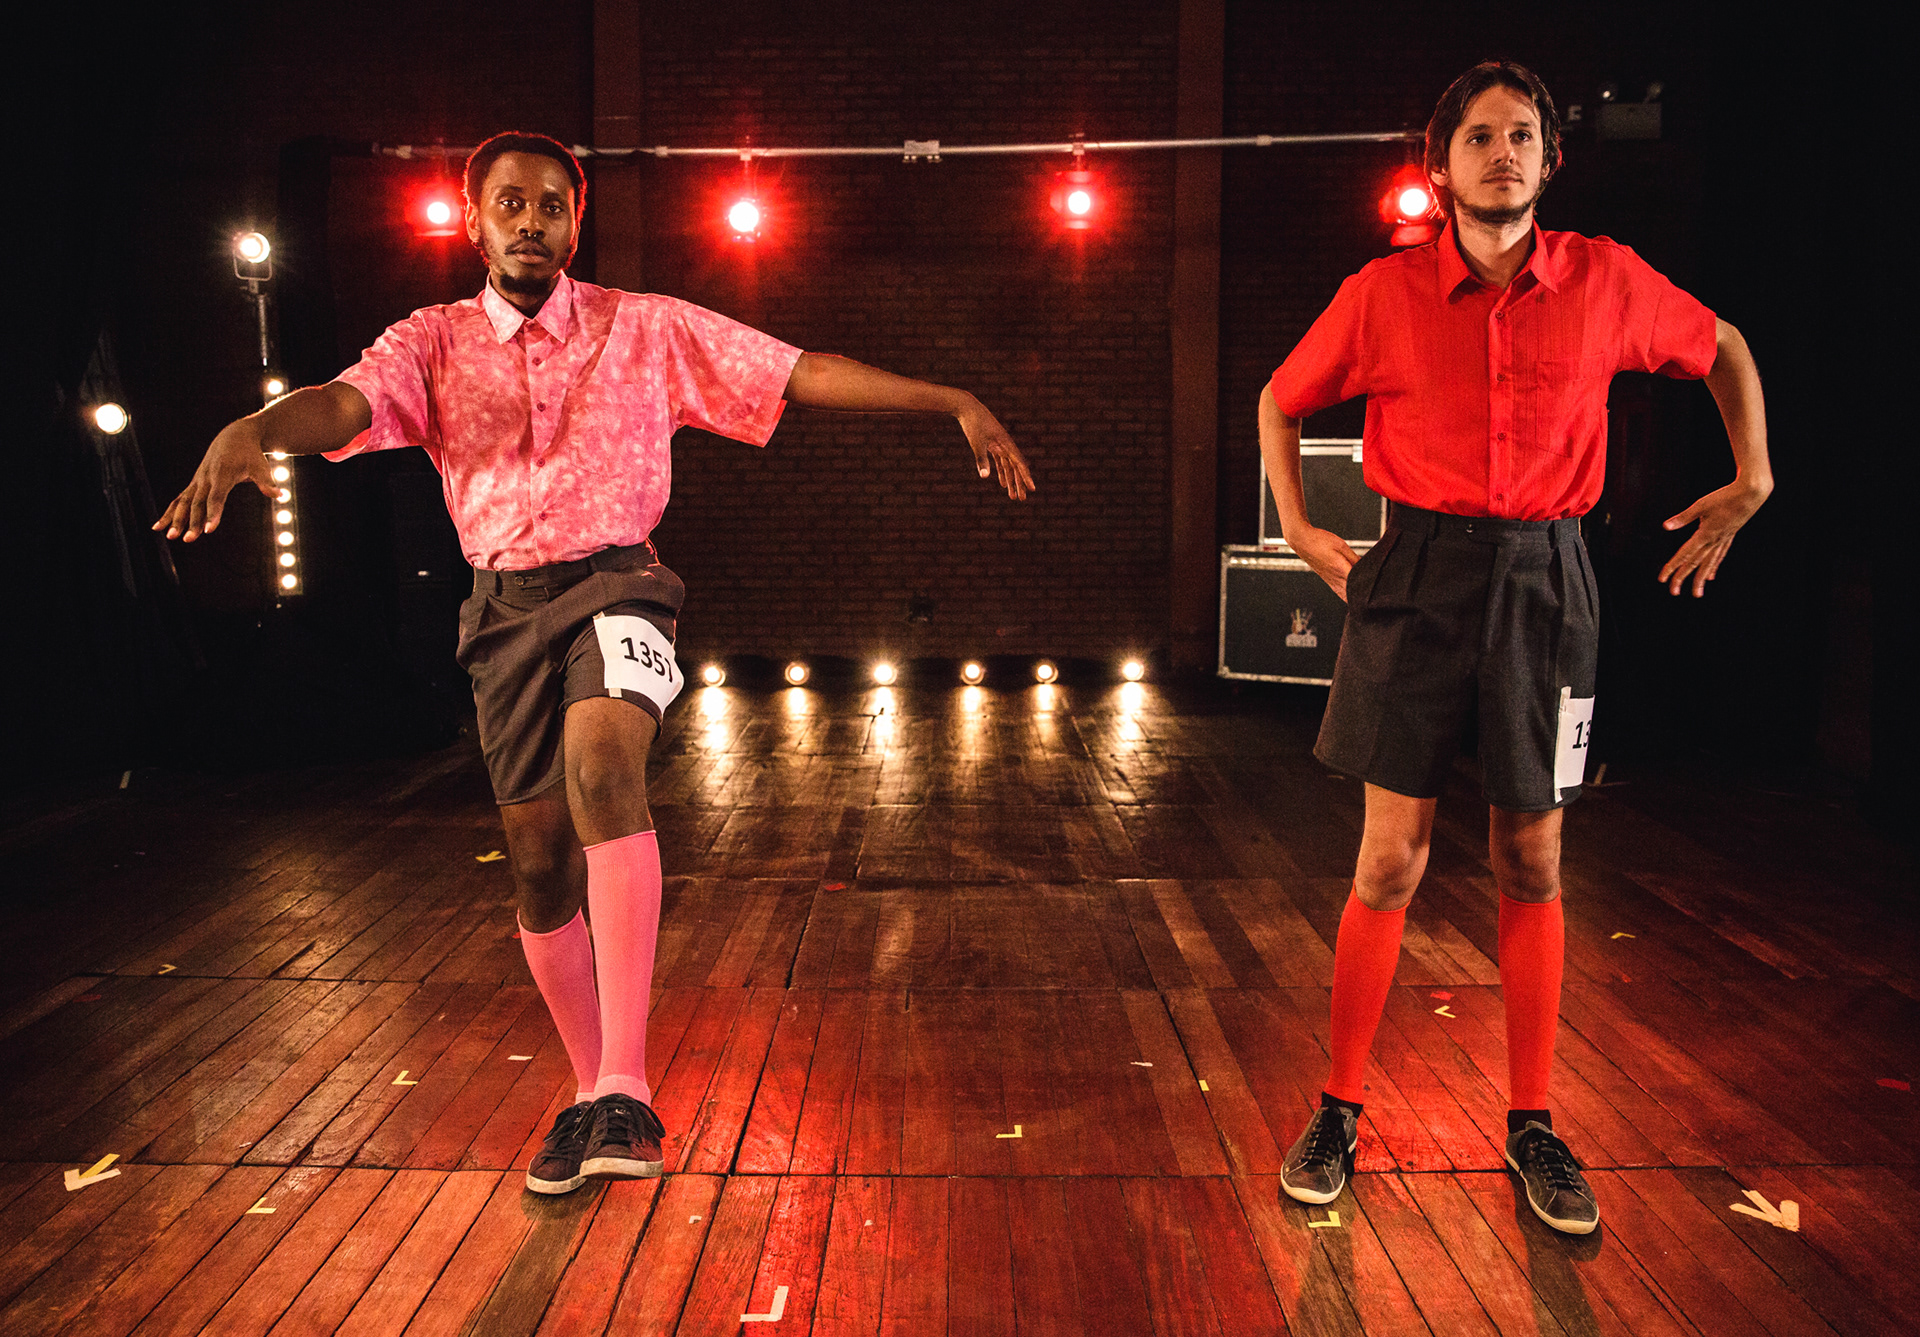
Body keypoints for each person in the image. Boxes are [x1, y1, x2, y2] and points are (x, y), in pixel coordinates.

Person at [155, 131, 1035, 1195]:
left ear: (576, 224)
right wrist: (258, 428)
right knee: (537, 862)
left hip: (621, 583)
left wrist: (951, 399)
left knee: (604, 769)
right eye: (511, 204)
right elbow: (344, 403)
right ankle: (590, 1094)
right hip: (502, 609)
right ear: (474, 222)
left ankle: (628, 1083)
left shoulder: (643, 326)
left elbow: (795, 371)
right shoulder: (430, 342)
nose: (532, 222)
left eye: (552, 206)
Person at [1259, 62, 1770, 1234]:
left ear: (1551, 158)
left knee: (1532, 858)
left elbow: (1726, 346)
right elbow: (1281, 400)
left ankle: (1533, 1122)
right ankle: (1338, 1107)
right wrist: (1294, 521)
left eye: (1523, 134)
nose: (1504, 152)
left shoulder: (1608, 278)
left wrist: (1754, 476)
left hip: (1548, 577)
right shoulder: (1381, 293)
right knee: (1389, 860)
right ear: (1439, 168)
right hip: (1418, 572)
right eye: (1480, 136)